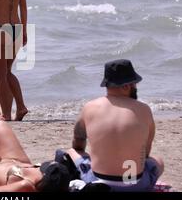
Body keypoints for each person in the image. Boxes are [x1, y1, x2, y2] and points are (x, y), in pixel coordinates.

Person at [66, 59, 164, 191]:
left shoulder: (89, 107)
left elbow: (78, 142)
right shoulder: (144, 110)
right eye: (135, 84)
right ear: (126, 86)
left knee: (72, 152)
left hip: (98, 185)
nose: (136, 87)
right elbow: (145, 153)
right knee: (157, 161)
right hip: (135, 185)